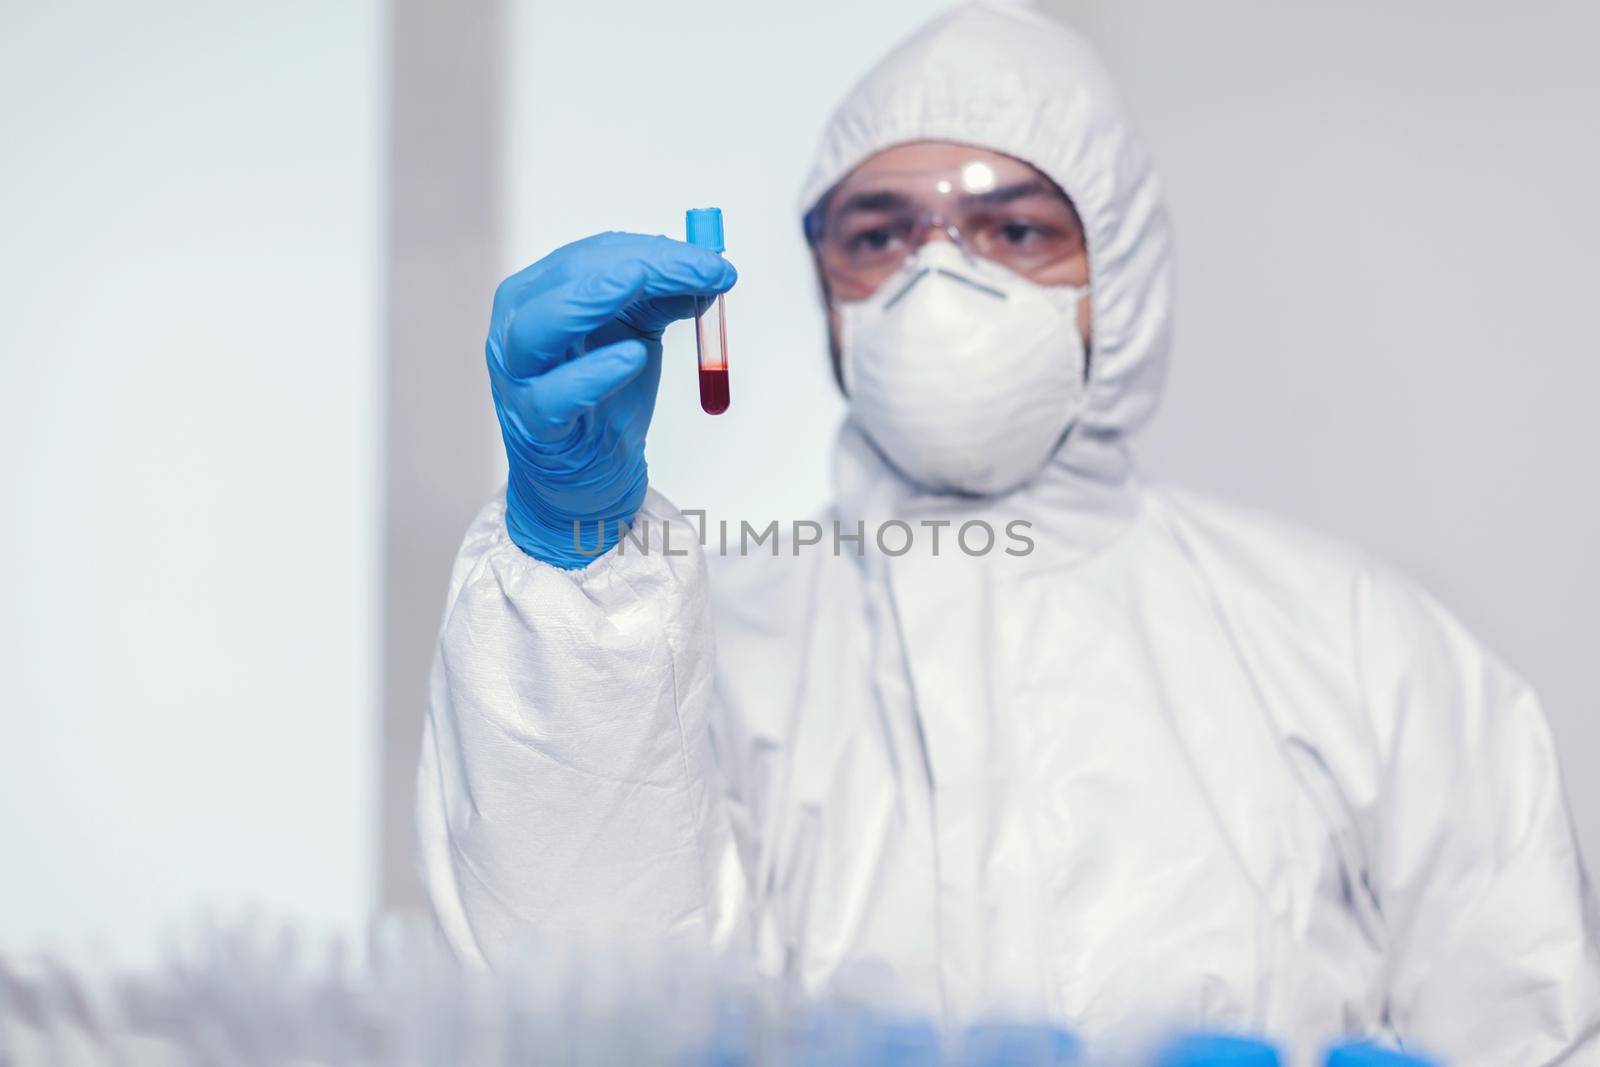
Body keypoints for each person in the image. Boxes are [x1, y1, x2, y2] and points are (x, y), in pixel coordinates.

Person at [415, 3, 1600, 1063]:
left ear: (1119, 274)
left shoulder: (1352, 640)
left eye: (1015, 231)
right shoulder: (697, 634)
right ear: (825, 291)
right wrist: (576, 577)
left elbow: (1535, 1024)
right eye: (878, 235)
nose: (939, 277)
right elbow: (582, 1007)